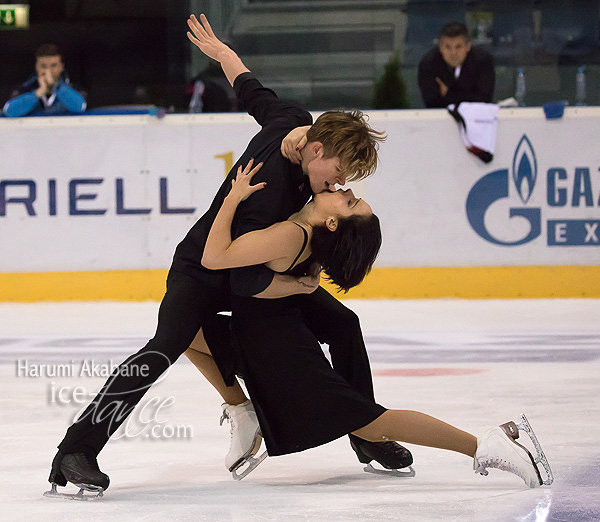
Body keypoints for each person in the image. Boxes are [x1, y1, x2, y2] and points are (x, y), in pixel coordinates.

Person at [46, 13, 410, 498]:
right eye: (338, 173)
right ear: (316, 148)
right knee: (162, 348)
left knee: (344, 324)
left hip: (251, 260)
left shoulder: (296, 126)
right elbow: (245, 282)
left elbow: (254, 94)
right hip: (204, 268)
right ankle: (77, 450)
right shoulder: (266, 192)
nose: (339, 185)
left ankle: (365, 432)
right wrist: (300, 285)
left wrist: (224, 55)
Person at [189, 159, 551, 489]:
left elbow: (214, 255)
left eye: (349, 203)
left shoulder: (291, 234)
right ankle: (241, 408)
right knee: (186, 333)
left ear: (332, 223)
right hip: (265, 343)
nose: (346, 191)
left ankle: (483, 445)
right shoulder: (307, 234)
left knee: (374, 423)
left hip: (283, 357)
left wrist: (231, 198)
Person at [418, 22, 495, 108]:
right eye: (448, 47)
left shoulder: (482, 62)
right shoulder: (429, 64)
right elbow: (431, 103)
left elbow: (483, 101)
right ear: (440, 47)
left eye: (458, 47)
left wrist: (448, 94)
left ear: (468, 46)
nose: (453, 53)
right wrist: (466, 96)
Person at [3, 43, 86, 118]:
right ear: (36, 67)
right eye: (43, 66)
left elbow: (80, 107)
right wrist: (37, 93)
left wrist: (56, 87)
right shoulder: (24, 89)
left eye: (53, 66)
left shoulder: (73, 88)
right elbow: (9, 111)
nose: (48, 71)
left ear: (61, 67)